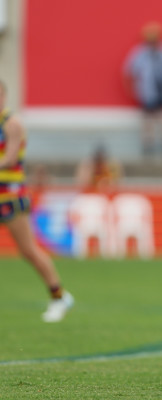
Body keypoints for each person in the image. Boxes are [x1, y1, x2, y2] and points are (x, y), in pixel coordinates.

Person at [0, 80, 74, 323]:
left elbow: (10, 159)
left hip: (10, 195)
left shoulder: (12, 123)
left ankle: (58, 296)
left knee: (28, 250)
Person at [123, 21, 162, 158]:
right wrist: (133, 90)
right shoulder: (140, 52)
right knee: (148, 121)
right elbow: (129, 71)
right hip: (147, 92)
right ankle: (148, 146)